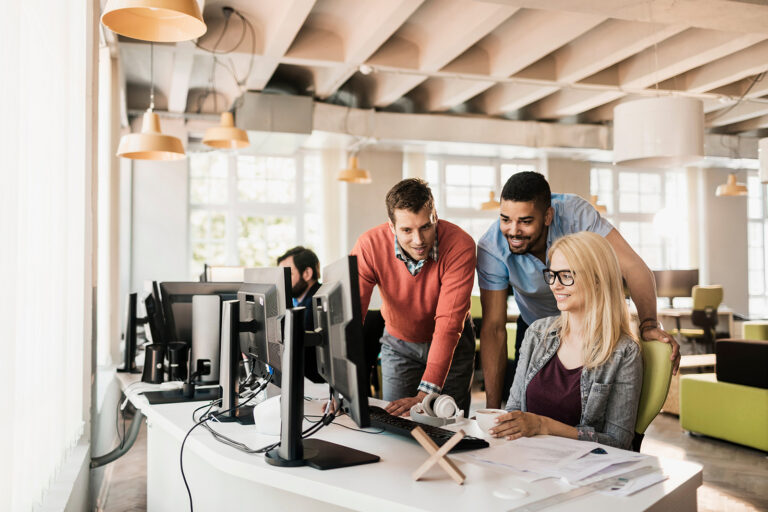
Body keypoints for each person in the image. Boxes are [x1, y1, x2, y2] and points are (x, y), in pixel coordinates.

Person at [477, 171, 679, 409]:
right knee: (529, 407)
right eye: (505, 219)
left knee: (591, 411)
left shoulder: (574, 215)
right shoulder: (492, 247)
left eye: (525, 221)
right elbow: (494, 329)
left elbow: (633, 267)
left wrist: (649, 325)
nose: (513, 231)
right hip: (537, 329)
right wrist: (491, 410)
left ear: (548, 216)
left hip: (592, 326)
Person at [488, 232, 642, 450]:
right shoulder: (536, 334)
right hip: (525, 462)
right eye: (552, 275)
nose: (555, 285)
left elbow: (618, 442)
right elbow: (514, 410)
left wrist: (544, 425)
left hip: (583, 474)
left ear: (598, 280)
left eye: (566, 276)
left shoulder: (624, 352)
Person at [351, 178, 477, 416]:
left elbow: (449, 323)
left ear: (435, 216)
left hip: (453, 346)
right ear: (391, 226)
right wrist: (340, 388)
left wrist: (424, 395)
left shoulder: (460, 245)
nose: (418, 240)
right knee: (396, 423)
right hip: (399, 344)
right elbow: (351, 316)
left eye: (426, 227)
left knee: (449, 425)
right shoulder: (369, 246)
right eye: (407, 230)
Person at [277, 246, 323, 383]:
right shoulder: (296, 301)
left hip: (313, 383)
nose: (282, 281)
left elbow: (298, 348)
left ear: (307, 273)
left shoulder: (316, 303)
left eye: (288, 275)